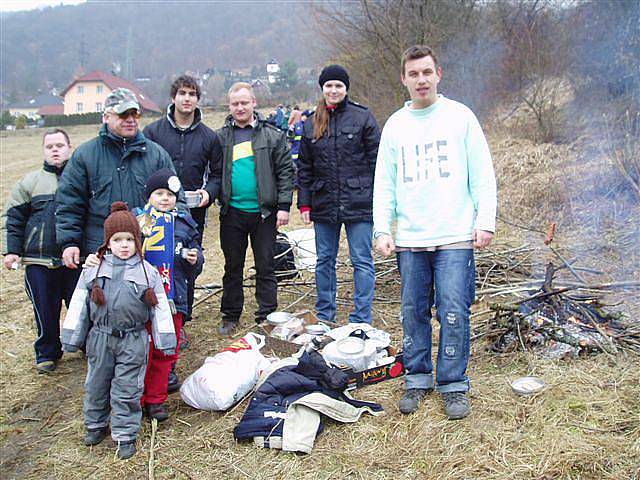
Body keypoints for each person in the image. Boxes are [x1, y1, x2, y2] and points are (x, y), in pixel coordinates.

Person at [373, 45, 497, 420]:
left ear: (438, 74)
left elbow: (482, 172)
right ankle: (417, 377)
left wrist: (485, 220)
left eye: (427, 72)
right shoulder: (395, 125)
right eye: (414, 74)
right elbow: (384, 183)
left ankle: (453, 383)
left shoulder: (460, 117)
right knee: (413, 311)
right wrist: (382, 229)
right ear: (404, 79)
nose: (421, 79)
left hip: (455, 235)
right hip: (411, 239)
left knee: (454, 310)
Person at [61, 202, 176, 460]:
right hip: (100, 337)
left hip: (133, 340)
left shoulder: (148, 273)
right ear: (107, 243)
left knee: (128, 388)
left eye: (129, 239)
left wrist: (166, 341)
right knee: (96, 383)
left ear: (137, 241)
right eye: (117, 239)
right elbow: (79, 302)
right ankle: (96, 424)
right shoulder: (94, 269)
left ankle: (125, 433)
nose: (124, 245)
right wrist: (70, 337)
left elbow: (160, 310)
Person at [56, 88, 180, 271]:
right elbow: (69, 203)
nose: (130, 120)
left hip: (148, 251)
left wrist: (180, 239)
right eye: (123, 114)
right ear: (106, 116)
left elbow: (178, 198)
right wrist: (70, 242)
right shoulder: (85, 156)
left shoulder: (157, 155)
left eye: (134, 114)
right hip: (101, 252)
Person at [297, 65, 380, 324]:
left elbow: (378, 161)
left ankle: (361, 318)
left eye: (338, 86)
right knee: (324, 261)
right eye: (329, 86)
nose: (333, 90)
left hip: (360, 202)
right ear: (322, 89)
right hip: (324, 203)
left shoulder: (363, 118)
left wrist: (381, 200)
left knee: (362, 261)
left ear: (346, 89)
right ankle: (325, 316)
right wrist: (304, 204)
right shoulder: (311, 123)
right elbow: (305, 167)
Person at [216, 82, 294, 335]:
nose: (240, 107)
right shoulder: (220, 138)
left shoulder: (272, 135)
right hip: (232, 213)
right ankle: (230, 315)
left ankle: (267, 314)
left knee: (266, 265)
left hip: (264, 214)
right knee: (232, 266)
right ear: (229, 106)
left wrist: (283, 206)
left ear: (254, 103)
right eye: (235, 103)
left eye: (244, 102)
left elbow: (285, 171)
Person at [2, 128, 82, 373]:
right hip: (39, 262)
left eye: (60, 145)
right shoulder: (30, 182)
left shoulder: (80, 179)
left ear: (69, 147)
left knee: (81, 307)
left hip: (76, 259)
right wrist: (11, 251)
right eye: (50, 146)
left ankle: (88, 344)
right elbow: (14, 219)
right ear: (44, 151)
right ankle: (47, 352)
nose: (55, 150)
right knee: (45, 311)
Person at [135, 169, 204, 421]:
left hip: (174, 297)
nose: (165, 199)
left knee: (166, 351)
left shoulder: (184, 223)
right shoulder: (140, 221)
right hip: (143, 299)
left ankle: (156, 399)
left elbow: (196, 254)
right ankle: (137, 398)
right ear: (149, 196)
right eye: (159, 193)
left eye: (170, 194)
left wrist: (194, 259)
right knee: (143, 350)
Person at [143, 75, 222, 244]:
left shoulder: (210, 137)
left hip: (193, 213)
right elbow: (142, 172)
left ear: (197, 99)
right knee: (153, 262)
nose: (187, 98)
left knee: (190, 263)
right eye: (182, 93)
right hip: (155, 211)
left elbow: (217, 174)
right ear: (173, 98)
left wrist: (209, 192)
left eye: (192, 94)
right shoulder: (152, 133)